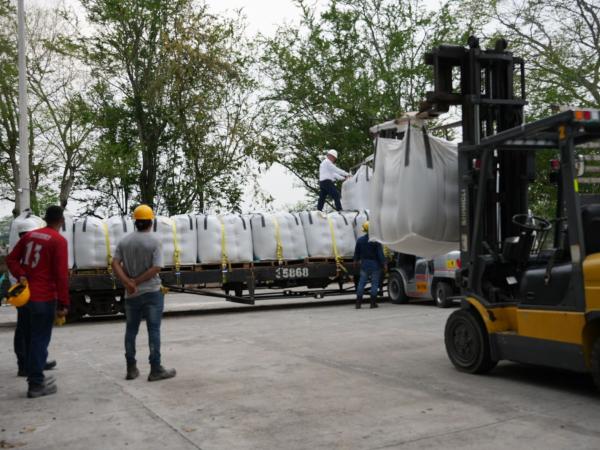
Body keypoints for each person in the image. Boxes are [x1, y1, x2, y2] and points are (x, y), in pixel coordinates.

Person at [7, 206, 69, 398]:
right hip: (44, 298)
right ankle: (36, 384)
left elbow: (11, 259)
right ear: (61, 221)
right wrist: (63, 303)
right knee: (39, 340)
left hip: (25, 297)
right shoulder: (59, 241)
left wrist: (22, 274)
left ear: (45, 219)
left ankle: (29, 370)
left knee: (27, 336)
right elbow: (61, 276)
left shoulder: (29, 236)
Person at [112, 204, 176, 382]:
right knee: (153, 329)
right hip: (152, 293)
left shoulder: (124, 241)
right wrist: (137, 281)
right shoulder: (155, 241)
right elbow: (156, 267)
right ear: (151, 221)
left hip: (131, 295)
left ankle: (131, 368)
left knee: (131, 330)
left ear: (136, 222)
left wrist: (128, 282)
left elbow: (114, 263)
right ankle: (155, 369)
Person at [10, 217, 57, 378]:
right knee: (28, 331)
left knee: (27, 329)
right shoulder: (26, 246)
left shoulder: (22, 245)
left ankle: (34, 362)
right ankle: (26, 364)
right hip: (27, 293)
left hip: (23, 293)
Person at [353, 221, 386, 309]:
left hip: (364, 265)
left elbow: (356, 253)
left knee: (361, 283)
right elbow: (380, 254)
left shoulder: (360, 240)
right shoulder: (376, 241)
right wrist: (384, 264)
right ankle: (372, 303)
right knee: (374, 284)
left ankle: (358, 303)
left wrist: (355, 261)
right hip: (375, 265)